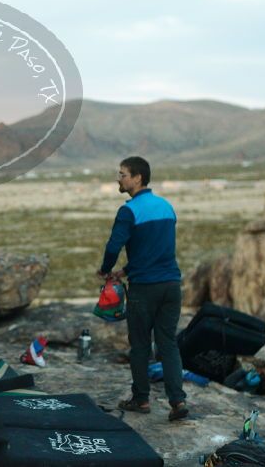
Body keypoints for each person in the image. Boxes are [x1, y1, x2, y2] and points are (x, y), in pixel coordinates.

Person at [97, 156, 189, 422]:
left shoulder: (129, 210)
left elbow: (114, 245)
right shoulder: (167, 207)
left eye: (123, 174)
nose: (119, 178)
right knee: (168, 344)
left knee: (139, 346)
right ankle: (177, 401)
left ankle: (141, 399)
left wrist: (106, 270)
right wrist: (124, 271)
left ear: (138, 178)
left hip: (145, 289)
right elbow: (155, 250)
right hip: (171, 285)